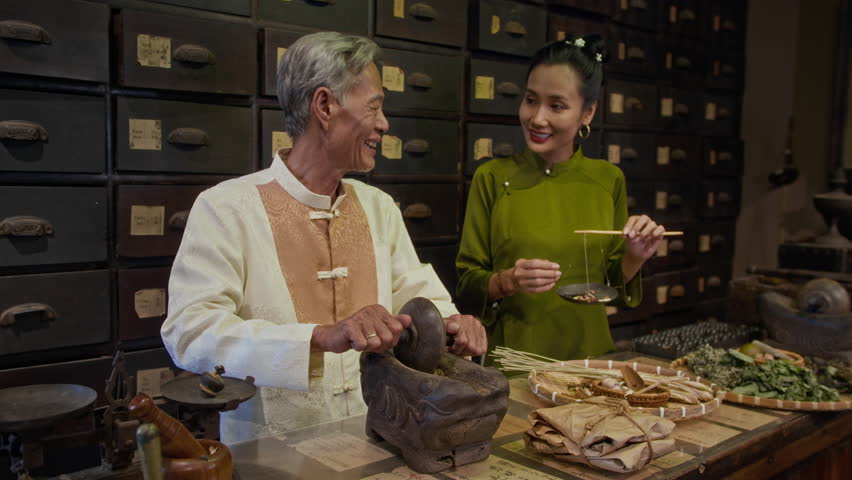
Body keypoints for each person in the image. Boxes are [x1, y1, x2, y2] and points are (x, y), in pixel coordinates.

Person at [161, 31, 486, 444]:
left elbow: (417, 294)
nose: (384, 124)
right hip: (271, 450)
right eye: (375, 106)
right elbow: (190, 331)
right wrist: (316, 337)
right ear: (325, 106)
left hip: (382, 438)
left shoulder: (378, 207)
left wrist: (453, 325)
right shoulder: (226, 208)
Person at [456, 35, 665, 363]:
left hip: (589, 361)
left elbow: (611, 287)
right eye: (530, 100)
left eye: (556, 106)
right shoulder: (492, 178)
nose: (537, 118)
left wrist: (634, 256)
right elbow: (467, 284)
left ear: (588, 112)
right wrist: (508, 280)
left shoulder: (608, 180)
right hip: (514, 362)